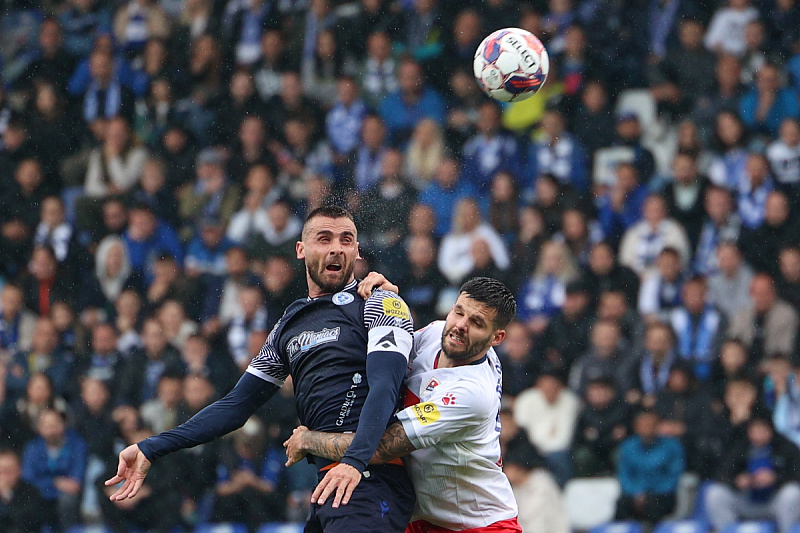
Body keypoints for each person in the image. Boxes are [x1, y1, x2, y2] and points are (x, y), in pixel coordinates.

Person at [105, 206, 416, 533]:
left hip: (369, 477)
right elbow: (235, 406)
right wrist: (151, 446)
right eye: (324, 239)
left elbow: (385, 386)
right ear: (301, 249)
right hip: (330, 483)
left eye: (346, 240)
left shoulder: (379, 303)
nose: (336, 247)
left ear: (356, 250)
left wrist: (354, 462)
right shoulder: (288, 326)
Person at [285, 276, 522, 532]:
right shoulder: (434, 333)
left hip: (479, 525)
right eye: (458, 312)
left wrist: (308, 440)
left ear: (496, 338)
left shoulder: (471, 394)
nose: (460, 325)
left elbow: (381, 447)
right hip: (422, 519)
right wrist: (387, 301)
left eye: (476, 323)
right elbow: (384, 346)